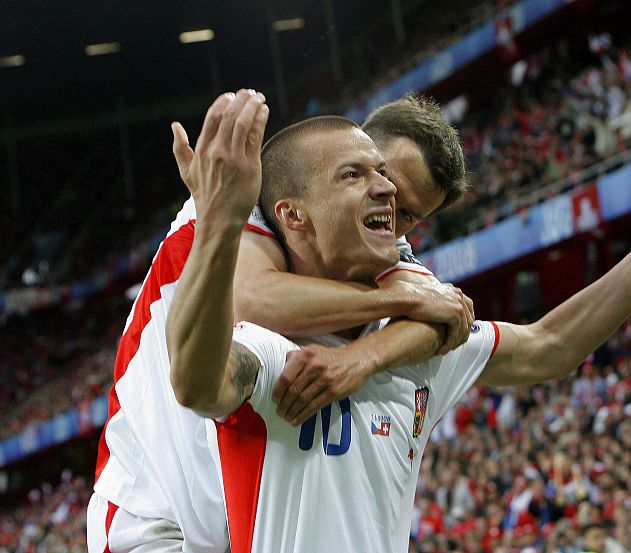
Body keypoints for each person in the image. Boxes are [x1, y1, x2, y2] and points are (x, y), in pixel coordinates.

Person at [168, 90, 631, 552]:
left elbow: (550, 345)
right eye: (360, 175)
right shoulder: (270, 340)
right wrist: (218, 222)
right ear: (294, 213)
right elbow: (206, 367)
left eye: (407, 210)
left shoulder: (427, 330)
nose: (386, 200)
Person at [88, 90, 474, 553]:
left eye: (409, 214)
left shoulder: (377, 244)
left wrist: (365, 355)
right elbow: (253, 298)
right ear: (353, 146)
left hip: (231, 523)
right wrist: (398, 299)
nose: (387, 199)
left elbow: (444, 317)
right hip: (148, 513)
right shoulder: (243, 195)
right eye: (374, 172)